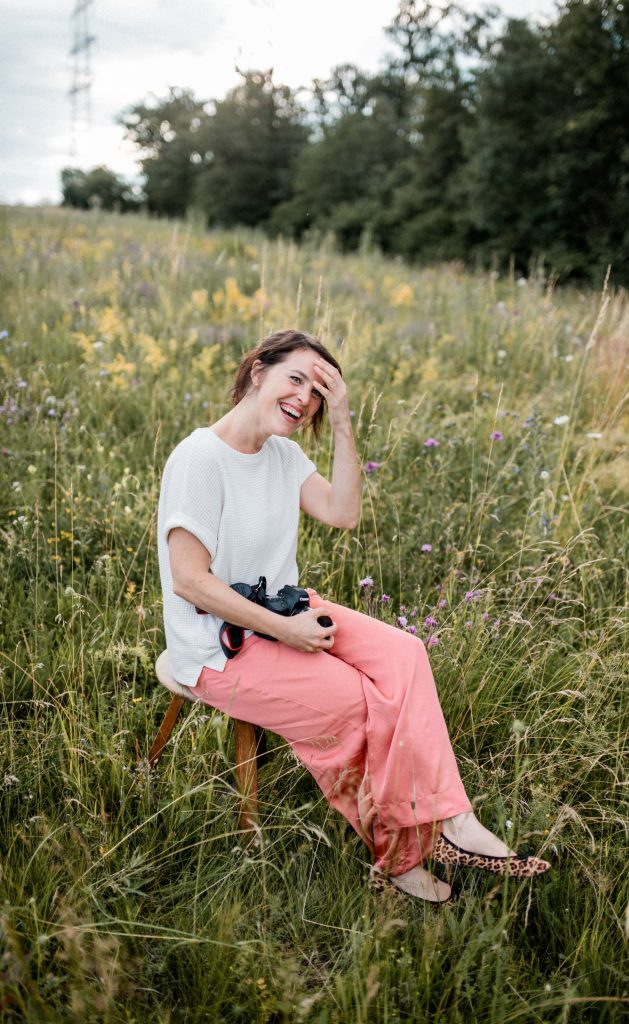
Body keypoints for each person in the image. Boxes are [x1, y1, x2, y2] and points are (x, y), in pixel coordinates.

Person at [157, 328, 549, 903]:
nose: (304, 399)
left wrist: (342, 420)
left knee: (405, 654)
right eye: (297, 379)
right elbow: (191, 580)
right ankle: (400, 857)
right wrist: (287, 630)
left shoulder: (283, 454)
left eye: (318, 392)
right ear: (258, 371)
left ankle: (451, 820)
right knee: (356, 700)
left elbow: (342, 513)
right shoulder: (200, 457)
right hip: (218, 645)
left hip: (283, 608)